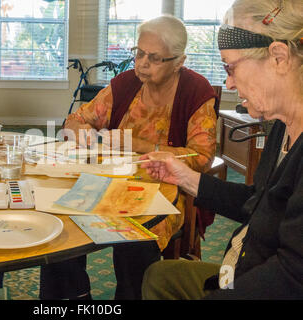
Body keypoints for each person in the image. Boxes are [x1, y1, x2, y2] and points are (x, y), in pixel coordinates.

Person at [40, 15, 219, 300]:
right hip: (106, 182)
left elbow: (200, 157)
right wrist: (82, 130)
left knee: (134, 236)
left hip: (166, 192)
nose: (142, 63)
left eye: (154, 58)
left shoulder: (196, 92)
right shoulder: (125, 84)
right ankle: (72, 299)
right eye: (139, 53)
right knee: (62, 223)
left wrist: (136, 143)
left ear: (179, 61)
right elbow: (73, 120)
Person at [141, 0, 302, 299]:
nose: (227, 83)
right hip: (242, 267)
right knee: (159, 276)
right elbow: (259, 201)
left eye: (231, 66)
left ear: (279, 58)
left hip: (266, 281)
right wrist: (185, 178)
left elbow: (293, 277)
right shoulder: (281, 126)